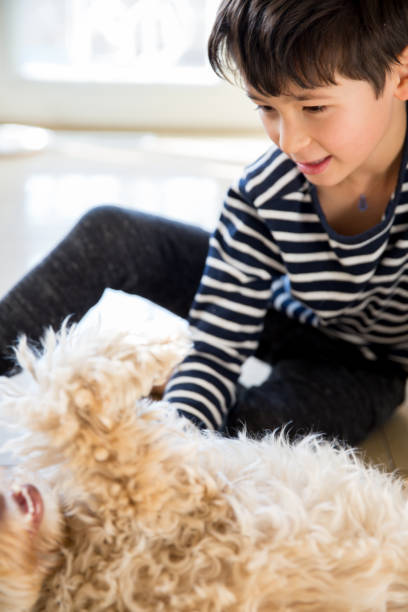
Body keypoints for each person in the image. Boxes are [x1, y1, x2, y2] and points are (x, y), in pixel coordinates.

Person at [1, 0, 408, 445]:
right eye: (266, 109)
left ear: (400, 77)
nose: (289, 141)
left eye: (313, 108)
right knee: (111, 233)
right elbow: (215, 348)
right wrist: (174, 442)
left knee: (259, 438)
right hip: (280, 309)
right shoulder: (265, 192)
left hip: (367, 363)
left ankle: (169, 407)